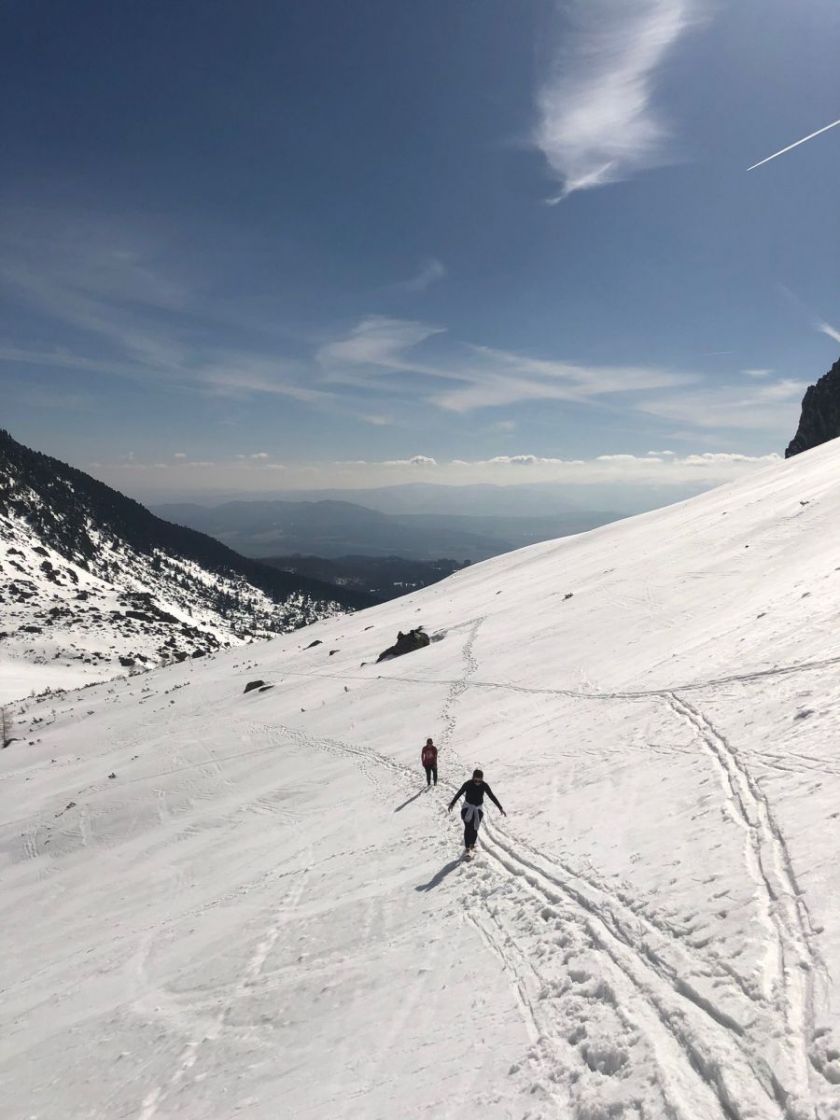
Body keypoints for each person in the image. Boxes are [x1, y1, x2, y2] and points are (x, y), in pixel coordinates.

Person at [448, 769, 505, 854]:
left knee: (475, 828)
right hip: (467, 808)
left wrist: (500, 807)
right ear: (473, 778)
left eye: (479, 781)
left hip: (478, 809)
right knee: (468, 827)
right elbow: (459, 793)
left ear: (482, 779)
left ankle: (472, 845)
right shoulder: (468, 784)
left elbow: (491, 796)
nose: (477, 782)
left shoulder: (484, 785)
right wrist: (452, 803)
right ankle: (467, 848)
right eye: (476, 780)